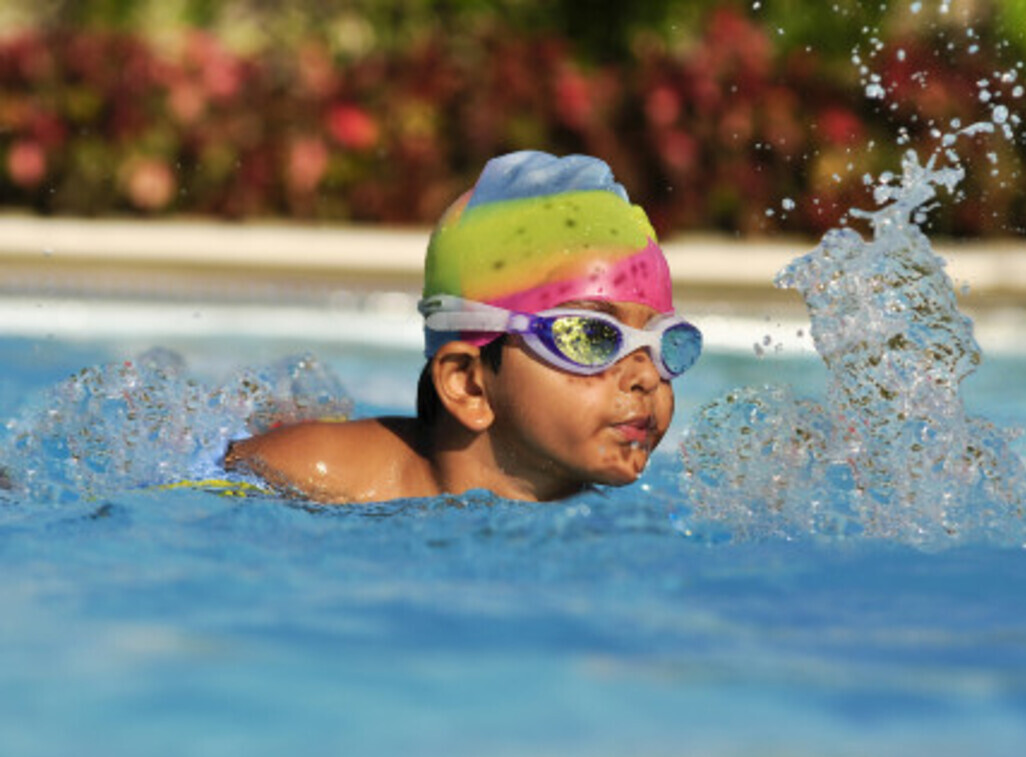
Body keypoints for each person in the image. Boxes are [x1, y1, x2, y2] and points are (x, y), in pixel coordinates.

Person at [223, 151, 702, 503]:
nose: (646, 376)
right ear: (468, 383)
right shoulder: (313, 471)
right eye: (591, 337)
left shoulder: (616, 522)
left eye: (665, 342)